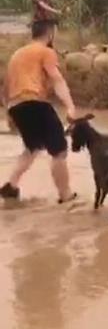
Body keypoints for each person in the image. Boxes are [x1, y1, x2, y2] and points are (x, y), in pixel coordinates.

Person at [1, 19, 78, 203]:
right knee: (59, 150)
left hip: (16, 106)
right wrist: (70, 106)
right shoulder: (46, 52)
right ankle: (65, 195)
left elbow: (5, 87)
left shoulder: (17, 54)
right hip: (34, 102)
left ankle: (11, 186)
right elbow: (57, 79)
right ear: (50, 33)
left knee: (32, 147)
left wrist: (8, 113)